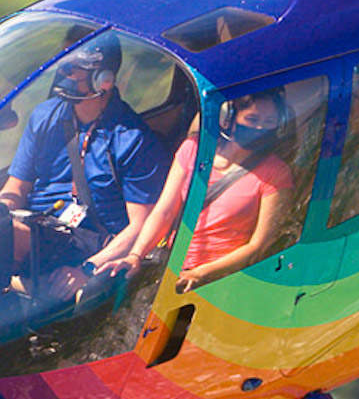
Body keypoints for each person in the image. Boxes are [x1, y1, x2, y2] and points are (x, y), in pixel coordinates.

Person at [0, 32, 168, 300]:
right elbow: (17, 186)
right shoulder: (44, 116)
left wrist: (87, 269)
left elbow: (141, 226)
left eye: (78, 69)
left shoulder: (133, 139)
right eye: (66, 66)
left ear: (105, 80)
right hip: (42, 226)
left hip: (95, 240)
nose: (68, 75)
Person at [123, 90, 293, 293]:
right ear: (228, 118)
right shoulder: (193, 150)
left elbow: (259, 244)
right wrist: (136, 255)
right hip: (173, 263)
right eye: (252, 119)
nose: (260, 128)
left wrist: (201, 273)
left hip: (219, 279)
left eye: (269, 122)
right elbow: (164, 212)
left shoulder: (276, 173)